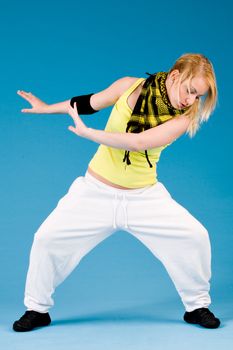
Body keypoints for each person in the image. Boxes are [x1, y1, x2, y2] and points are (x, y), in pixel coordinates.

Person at [13, 53, 221, 332]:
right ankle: (37, 309)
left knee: (195, 236)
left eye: (198, 97)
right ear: (174, 77)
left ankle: (196, 306)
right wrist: (46, 107)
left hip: (144, 197)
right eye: (190, 91)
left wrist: (91, 135)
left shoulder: (183, 119)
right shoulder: (129, 86)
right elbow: (87, 104)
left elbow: (138, 142)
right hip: (95, 191)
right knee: (46, 239)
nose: (191, 101)